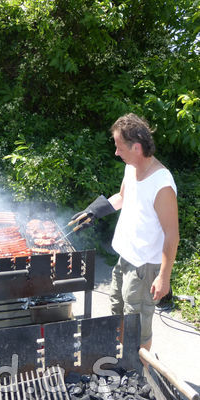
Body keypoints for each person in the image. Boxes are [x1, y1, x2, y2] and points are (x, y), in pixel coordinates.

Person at [71, 113, 179, 352]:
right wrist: (94, 211)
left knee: (137, 325)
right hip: (124, 259)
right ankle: (122, 358)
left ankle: (140, 372)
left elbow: (172, 235)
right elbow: (122, 197)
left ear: (137, 147)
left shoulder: (162, 184)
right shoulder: (132, 168)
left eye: (120, 147)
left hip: (143, 266)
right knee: (118, 312)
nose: (116, 152)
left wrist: (164, 276)